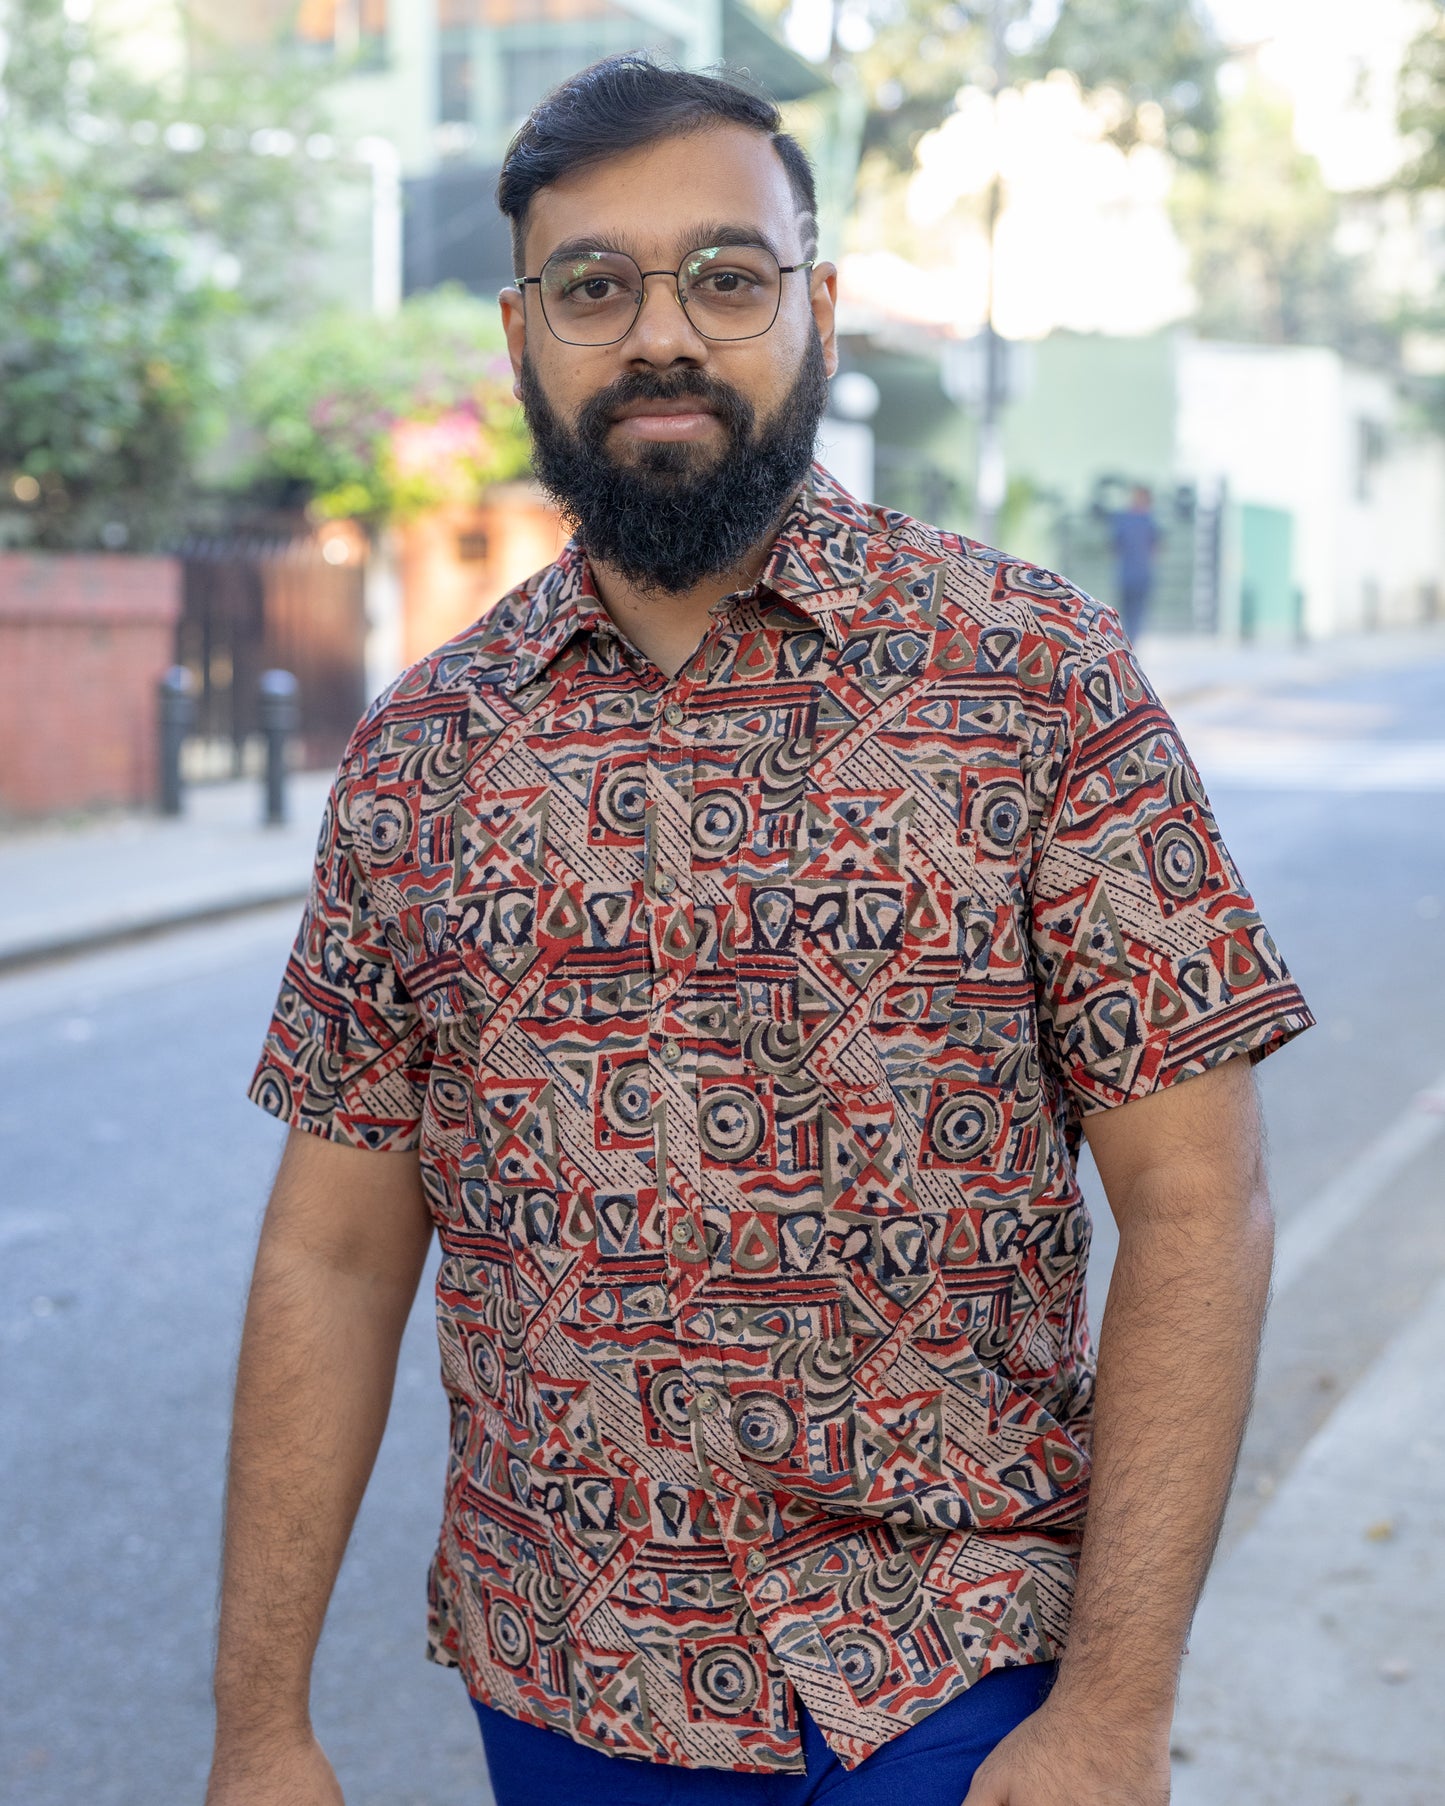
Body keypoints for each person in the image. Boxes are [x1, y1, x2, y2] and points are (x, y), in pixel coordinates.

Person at [205, 56, 1314, 1806]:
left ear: (820, 310)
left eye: (728, 275)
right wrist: (259, 1727)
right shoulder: (423, 754)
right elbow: (333, 1254)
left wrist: (1111, 1712)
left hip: (956, 1681)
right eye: (595, 285)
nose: (663, 334)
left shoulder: (1035, 681)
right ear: (521, 335)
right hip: (570, 1689)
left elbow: (1199, 1204)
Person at [1109, 485, 1161, 643]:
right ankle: (1123, 641)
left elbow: (1156, 548)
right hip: (1126, 575)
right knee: (1123, 612)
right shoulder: (1124, 520)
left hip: (1142, 575)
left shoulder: (1151, 522)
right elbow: (1115, 545)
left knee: (1138, 613)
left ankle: (1131, 643)